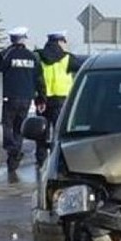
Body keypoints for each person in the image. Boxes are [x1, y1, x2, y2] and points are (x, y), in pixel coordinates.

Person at [0, 26, 46, 172]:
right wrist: (41, 98)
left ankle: (13, 150)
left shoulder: (5, 55)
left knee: (6, 126)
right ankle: (13, 161)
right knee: (19, 128)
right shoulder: (32, 57)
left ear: (11, 39)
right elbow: (39, 79)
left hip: (9, 97)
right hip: (26, 98)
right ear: (23, 39)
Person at [34, 30, 84, 166]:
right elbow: (84, 69)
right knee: (59, 132)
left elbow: (35, 77)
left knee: (40, 131)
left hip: (42, 100)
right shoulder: (67, 58)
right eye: (64, 42)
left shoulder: (38, 56)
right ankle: (58, 160)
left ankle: (41, 159)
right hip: (62, 101)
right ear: (59, 42)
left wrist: (39, 97)